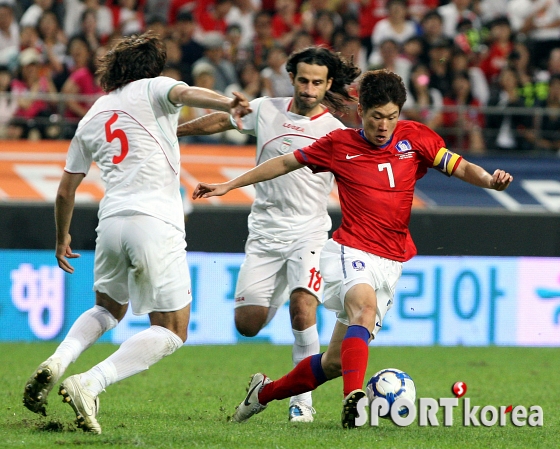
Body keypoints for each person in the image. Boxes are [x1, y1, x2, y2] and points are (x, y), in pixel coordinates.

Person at [191, 69, 513, 428]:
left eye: (391, 117)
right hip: (350, 250)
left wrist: (489, 180)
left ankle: (262, 394)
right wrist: (229, 185)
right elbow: (284, 162)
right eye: (376, 117)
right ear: (362, 112)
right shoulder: (339, 144)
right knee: (364, 309)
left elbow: (459, 165)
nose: (384, 125)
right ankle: (354, 399)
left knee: (333, 362)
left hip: (391, 261)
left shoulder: (415, 137)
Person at [22, 31, 250, 433]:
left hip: (110, 222)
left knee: (107, 308)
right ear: (151, 68)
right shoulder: (154, 88)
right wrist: (228, 99)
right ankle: (90, 382)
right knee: (172, 329)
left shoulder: (93, 114)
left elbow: (65, 190)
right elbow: (185, 93)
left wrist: (62, 238)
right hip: (155, 220)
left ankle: (58, 361)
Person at [177, 46, 361, 423]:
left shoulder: (336, 133)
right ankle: (282, 302)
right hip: (264, 233)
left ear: (328, 85)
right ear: (291, 78)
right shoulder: (265, 109)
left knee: (302, 306)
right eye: (304, 80)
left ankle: (302, 402)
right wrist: (174, 131)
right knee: (247, 324)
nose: (309, 89)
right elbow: (223, 121)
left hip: (309, 232)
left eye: (318, 83)